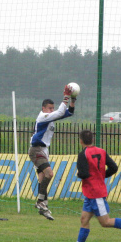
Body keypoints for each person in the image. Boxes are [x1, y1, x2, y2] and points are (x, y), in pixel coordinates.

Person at [28, 85, 76, 220]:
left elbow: (69, 113)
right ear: (43, 109)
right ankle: (40, 202)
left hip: (43, 150)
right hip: (36, 149)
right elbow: (60, 112)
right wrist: (66, 97)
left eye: (52, 108)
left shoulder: (50, 118)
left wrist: (73, 100)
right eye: (49, 108)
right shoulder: (43, 116)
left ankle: (44, 206)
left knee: (42, 179)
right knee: (50, 173)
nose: (51, 110)